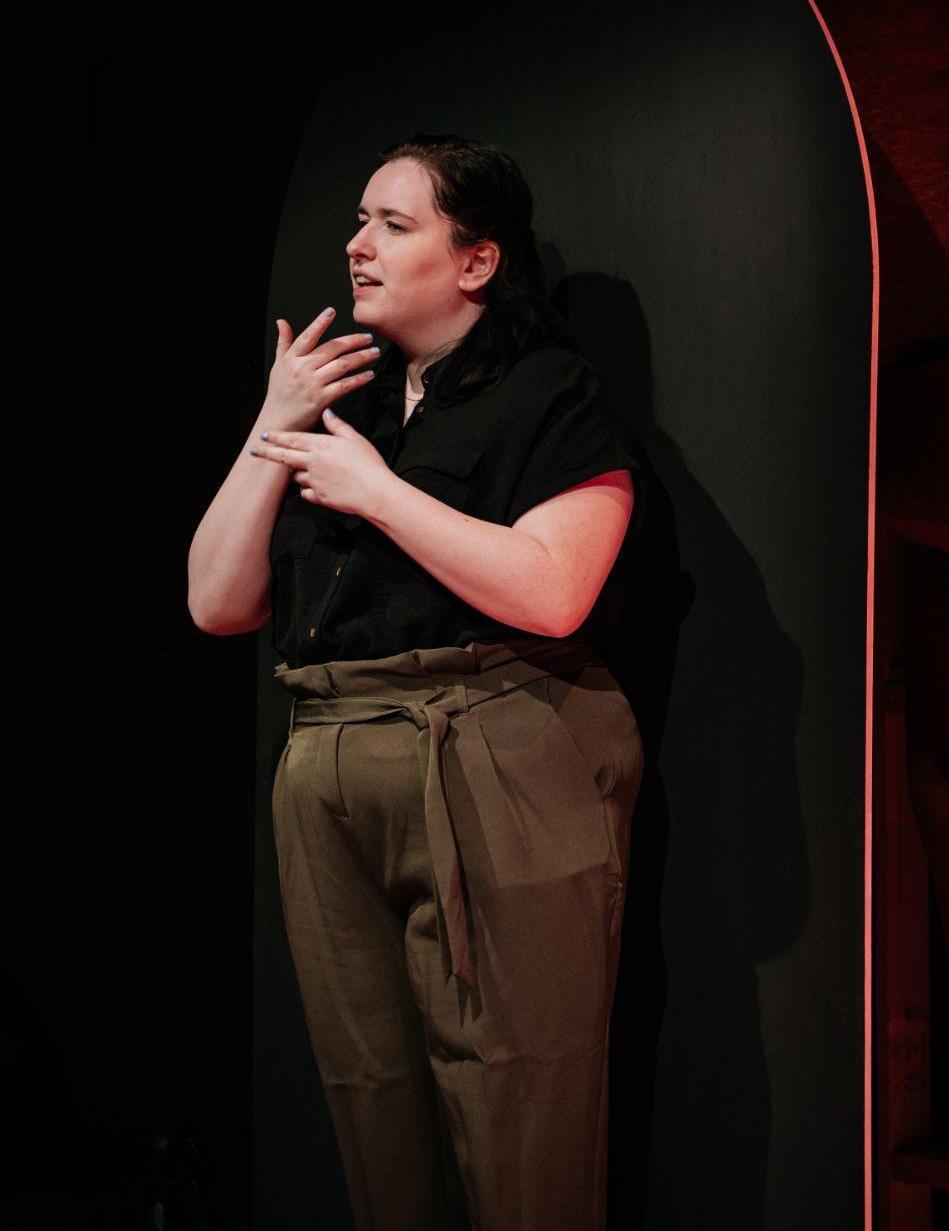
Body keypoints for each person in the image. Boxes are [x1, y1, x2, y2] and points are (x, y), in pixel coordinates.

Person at [186, 133, 646, 1230]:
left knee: (513, 1098)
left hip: (482, 745)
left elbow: (552, 594)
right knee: (371, 1104)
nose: (357, 247)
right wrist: (272, 423)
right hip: (329, 755)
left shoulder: (547, 395)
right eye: (359, 221)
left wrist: (377, 490)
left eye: (393, 225)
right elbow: (215, 603)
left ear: (476, 260)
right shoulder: (347, 402)